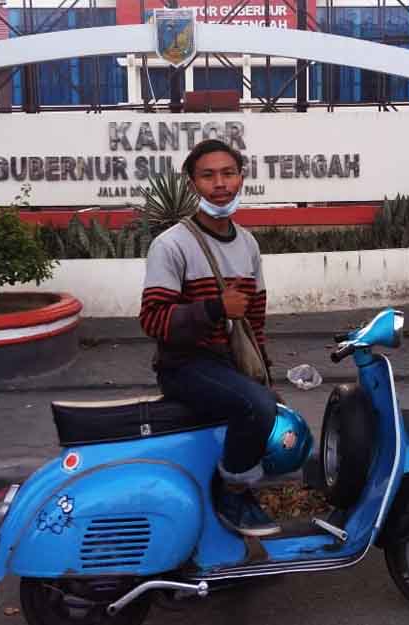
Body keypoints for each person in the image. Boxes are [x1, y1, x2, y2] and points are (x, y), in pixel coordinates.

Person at [138, 139, 280, 537]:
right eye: (208, 175)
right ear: (192, 183)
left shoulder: (248, 243)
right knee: (256, 408)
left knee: (271, 409)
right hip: (186, 364)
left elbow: (253, 319)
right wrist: (215, 308)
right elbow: (152, 319)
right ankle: (232, 493)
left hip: (230, 361)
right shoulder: (171, 245)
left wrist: (265, 373)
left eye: (228, 173)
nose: (220, 184)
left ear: (241, 179)